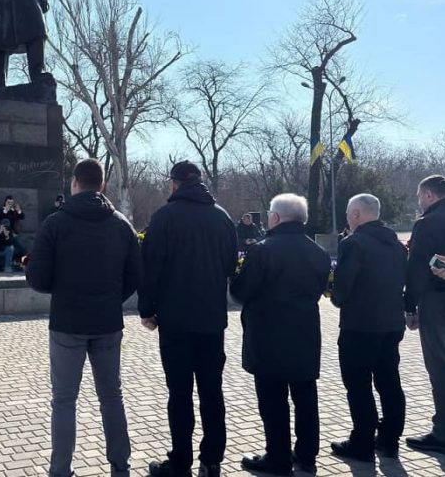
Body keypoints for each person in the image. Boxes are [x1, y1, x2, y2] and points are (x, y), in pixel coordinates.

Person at [26, 158, 141, 477]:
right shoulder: (121, 224)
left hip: (67, 322)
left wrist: (60, 290)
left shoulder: (55, 223)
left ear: (74, 183)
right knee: (111, 395)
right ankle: (120, 466)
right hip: (107, 322)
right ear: (102, 185)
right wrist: (110, 299)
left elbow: (38, 278)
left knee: (64, 400)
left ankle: (60, 470)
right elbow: (134, 276)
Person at [139, 161, 237, 477]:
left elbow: (150, 267)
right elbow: (228, 265)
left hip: (175, 320)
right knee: (212, 392)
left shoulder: (165, 217)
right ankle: (211, 461)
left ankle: (180, 461)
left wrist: (147, 309)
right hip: (211, 319)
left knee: (179, 394)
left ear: (174, 184)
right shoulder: (222, 217)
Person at [230, 193, 330, 476]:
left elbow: (240, 292)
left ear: (275, 217)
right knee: (306, 398)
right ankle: (307, 456)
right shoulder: (318, 252)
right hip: (306, 334)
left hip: (268, 335)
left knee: (273, 402)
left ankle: (278, 457)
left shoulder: (262, 250)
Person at [329, 194, 407, 461]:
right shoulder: (398, 246)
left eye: (350, 213)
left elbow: (342, 290)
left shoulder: (354, 244)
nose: (348, 218)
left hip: (360, 327)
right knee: (389, 382)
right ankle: (390, 440)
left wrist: (334, 293)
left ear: (357, 215)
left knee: (359, 386)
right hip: (392, 324)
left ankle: (361, 444)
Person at [404, 174, 445, 454]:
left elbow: (416, 269)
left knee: (440, 367)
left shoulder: (427, 224)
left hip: (437, 301)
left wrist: (409, 306)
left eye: (419, 197)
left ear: (428, 196)